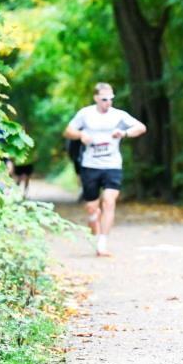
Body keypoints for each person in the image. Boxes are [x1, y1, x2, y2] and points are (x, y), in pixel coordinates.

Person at [64, 83, 146, 257]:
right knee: (91, 207)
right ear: (96, 98)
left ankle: (102, 244)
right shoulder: (85, 114)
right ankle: (94, 216)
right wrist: (81, 135)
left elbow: (141, 127)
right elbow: (68, 131)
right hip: (90, 165)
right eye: (104, 99)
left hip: (112, 165)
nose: (108, 102)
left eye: (111, 99)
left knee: (109, 201)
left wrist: (124, 133)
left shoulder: (118, 115)